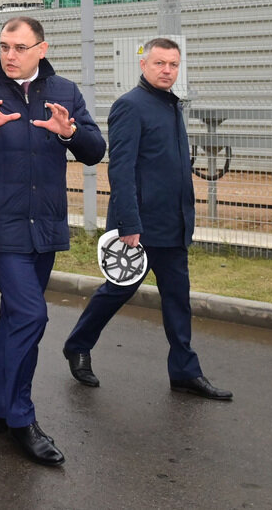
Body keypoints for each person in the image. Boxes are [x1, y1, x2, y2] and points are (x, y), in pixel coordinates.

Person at [0, 16, 105, 467]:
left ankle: (4, 411)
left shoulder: (65, 92)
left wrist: (69, 132)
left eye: (19, 47)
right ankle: (21, 418)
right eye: (3, 46)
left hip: (45, 225)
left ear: (42, 49)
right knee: (32, 314)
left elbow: (95, 150)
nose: (9, 55)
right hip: (0, 226)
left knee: (16, 319)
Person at [63, 37, 232, 402]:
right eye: (159, 63)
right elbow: (121, 170)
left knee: (178, 299)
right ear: (143, 65)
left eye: (173, 64)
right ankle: (77, 345)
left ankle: (185, 372)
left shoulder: (173, 106)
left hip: (173, 224)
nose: (167, 70)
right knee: (117, 291)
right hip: (138, 227)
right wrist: (128, 224)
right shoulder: (130, 106)